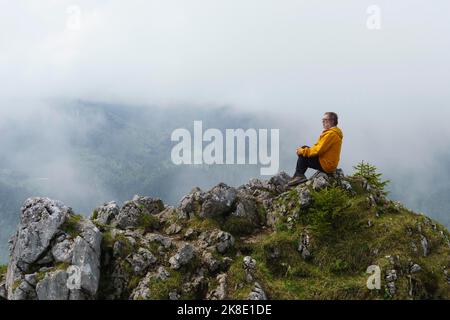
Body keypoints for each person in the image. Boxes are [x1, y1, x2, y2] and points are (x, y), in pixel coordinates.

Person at [288, 112, 343, 187]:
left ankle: (299, 176)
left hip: (326, 164)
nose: (323, 122)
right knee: (305, 148)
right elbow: (317, 147)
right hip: (328, 162)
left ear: (332, 121)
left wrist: (302, 151)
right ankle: (298, 175)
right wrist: (304, 150)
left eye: (325, 120)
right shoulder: (332, 133)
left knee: (304, 153)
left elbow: (318, 150)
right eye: (322, 120)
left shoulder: (331, 134)